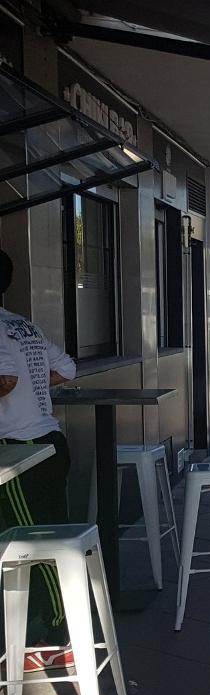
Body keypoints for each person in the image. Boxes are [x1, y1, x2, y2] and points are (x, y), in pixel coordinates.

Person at [0, 249, 77, 672]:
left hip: (23, 453)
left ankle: (55, 636)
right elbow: (67, 368)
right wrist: (33, 386)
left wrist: (21, 385)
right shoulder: (21, 324)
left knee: (34, 549)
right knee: (46, 543)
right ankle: (48, 633)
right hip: (47, 443)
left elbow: (6, 380)